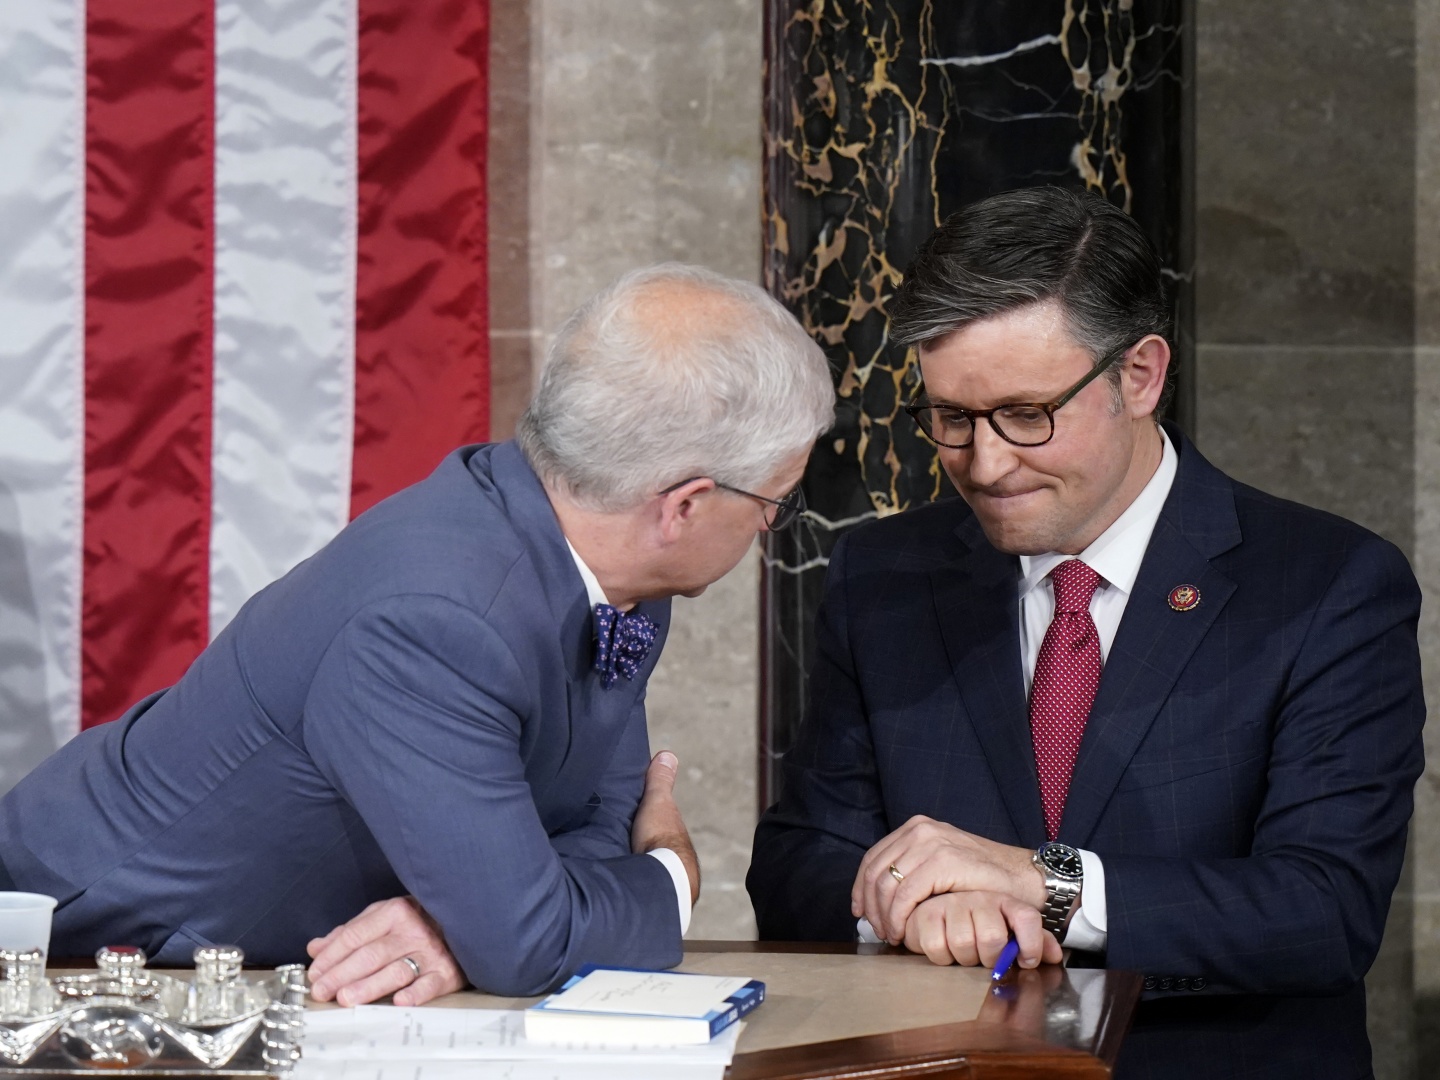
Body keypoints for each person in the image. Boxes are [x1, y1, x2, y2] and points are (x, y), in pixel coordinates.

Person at [0, 263, 835, 1005]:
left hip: (291, 961)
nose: (771, 527)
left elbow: (591, 820)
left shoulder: (618, 566)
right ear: (683, 506)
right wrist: (670, 879)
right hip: (94, 957)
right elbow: (535, 936)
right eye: (773, 502)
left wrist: (466, 928)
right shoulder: (436, 620)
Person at [746, 187, 1425, 1079]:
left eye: (1028, 415)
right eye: (952, 418)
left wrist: (1050, 885)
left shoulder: (1326, 584)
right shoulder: (885, 576)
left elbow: (1321, 909)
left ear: (1139, 375)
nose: (985, 465)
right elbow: (798, 861)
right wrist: (906, 902)